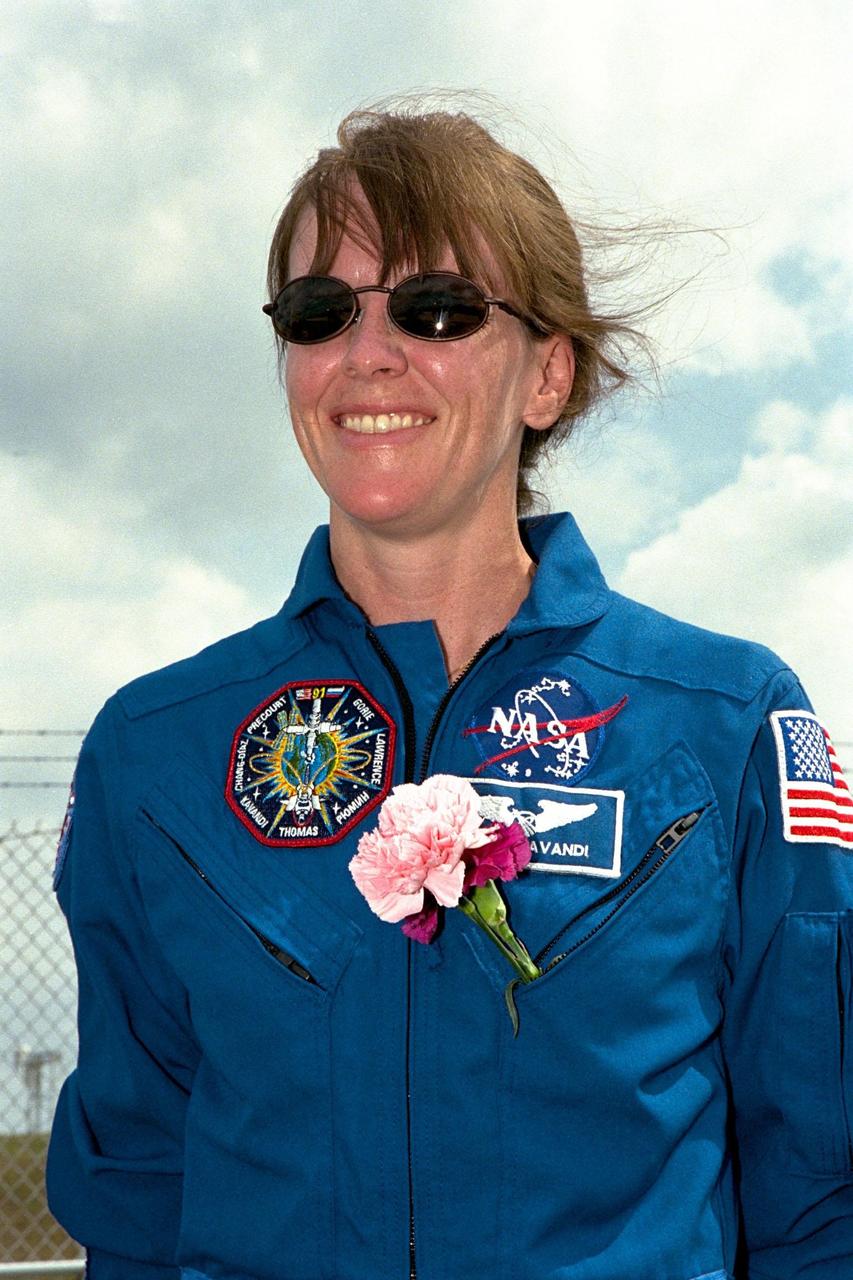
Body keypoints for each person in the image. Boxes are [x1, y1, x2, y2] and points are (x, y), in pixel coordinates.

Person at [46, 104, 853, 1280]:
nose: (367, 353)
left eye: (436, 307)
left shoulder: (725, 725)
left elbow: (819, 1195)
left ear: (548, 373)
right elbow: (133, 1197)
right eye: (320, 313)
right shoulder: (153, 750)